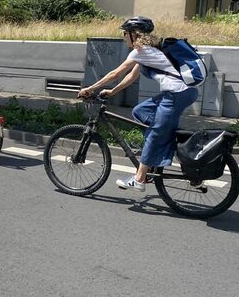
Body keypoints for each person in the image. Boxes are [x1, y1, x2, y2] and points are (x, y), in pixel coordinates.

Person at [78, 16, 199, 192]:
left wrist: (90, 88)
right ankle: (157, 150)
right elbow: (131, 76)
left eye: (125, 33)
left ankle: (140, 179)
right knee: (140, 111)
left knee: (155, 134)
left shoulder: (141, 51)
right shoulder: (148, 49)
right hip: (181, 92)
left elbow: (115, 73)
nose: (123, 37)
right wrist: (113, 92)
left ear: (133, 34)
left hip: (176, 94)